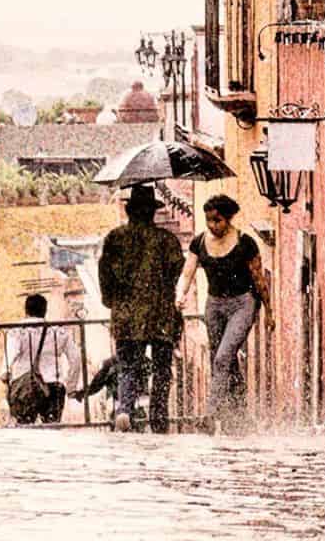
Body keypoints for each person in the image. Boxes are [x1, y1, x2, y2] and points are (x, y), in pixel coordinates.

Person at [175, 193, 274, 433]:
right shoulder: (199, 243)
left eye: (217, 220)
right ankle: (238, 415)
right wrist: (181, 294)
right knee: (223, 360)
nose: (212, 225)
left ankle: (211, 415)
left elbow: (259, 280)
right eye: (209, 220)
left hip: (242, 304)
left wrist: (269, 311)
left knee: (222, 358)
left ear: (228, 219)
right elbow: (187, 272)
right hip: (214, 305)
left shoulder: (245, 243)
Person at [97, 184, 184, 433]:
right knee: (162, 368)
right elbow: (175, 272)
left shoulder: (115, 239)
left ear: (129, 211)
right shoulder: (167, 241)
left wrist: (110, 300)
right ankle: (158, 415)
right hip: (161, 315)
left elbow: (104, 273)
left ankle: (124, 409)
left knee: (128, 366)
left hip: (126, 314)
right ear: (152, 213)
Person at [4, 294, 80, 424]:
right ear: (45, 310)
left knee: (25, 428)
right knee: (52, 427)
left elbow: (10, 354)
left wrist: (5, 373)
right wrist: (71, 386)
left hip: (25, 386)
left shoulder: (17, 330)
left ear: (26, 310)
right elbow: (75, 359)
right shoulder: (59, 331)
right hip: (54, 385)